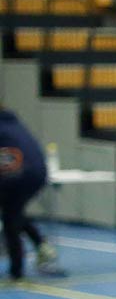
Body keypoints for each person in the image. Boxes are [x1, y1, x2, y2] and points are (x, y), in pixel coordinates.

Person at [0, 104, 65, 283]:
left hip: (21, 174)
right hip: (37, 174)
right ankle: (41, 245)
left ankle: (16, 272)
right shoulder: (13, 122)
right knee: (13, 211)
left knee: (10, 217)